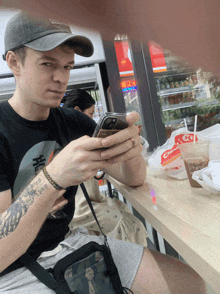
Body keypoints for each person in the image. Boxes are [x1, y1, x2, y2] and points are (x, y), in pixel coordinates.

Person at [0, 11, 206, 294]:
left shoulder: (74, 122)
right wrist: (54, 176)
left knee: (190, 283)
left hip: (69, 243)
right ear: (14, 62)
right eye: (47, 64)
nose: (61, 78)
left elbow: (131, 179)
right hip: (13, 271)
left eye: (68, 66)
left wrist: (130, 145)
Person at [63, 88, 148, 246]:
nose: (93, 118)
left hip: (88, 215)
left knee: (125, 217)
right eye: (90, 113)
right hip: (82, 217)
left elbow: (134, 179)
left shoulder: (87, 138)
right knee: (129, 226)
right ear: (77, 111)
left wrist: (130, 150)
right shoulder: (73, 141)